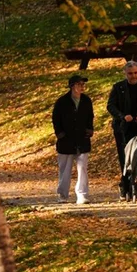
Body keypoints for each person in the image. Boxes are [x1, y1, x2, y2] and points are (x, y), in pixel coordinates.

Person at [107, 60, 137, 200]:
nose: (133, 76)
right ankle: (125, 186)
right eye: (130, 74)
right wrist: (122, 116)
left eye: (136, 73)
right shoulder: (118, 88)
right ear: (125, 74)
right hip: (123, 128)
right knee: (125, 158)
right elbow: (111, 106)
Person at [52, 74, 94, 204]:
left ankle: (82, 194)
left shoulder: (86, 100)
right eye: (79, 84)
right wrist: (60, 134)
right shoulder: (62, 102)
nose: (82, 87)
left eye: (83, 84)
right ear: (72, 86)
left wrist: (89, 129)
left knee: (82, 168)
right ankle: (63, 195)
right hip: (66, 140)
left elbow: (90, 117)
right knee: (65, 169)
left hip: (82, 139)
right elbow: (56, 119)